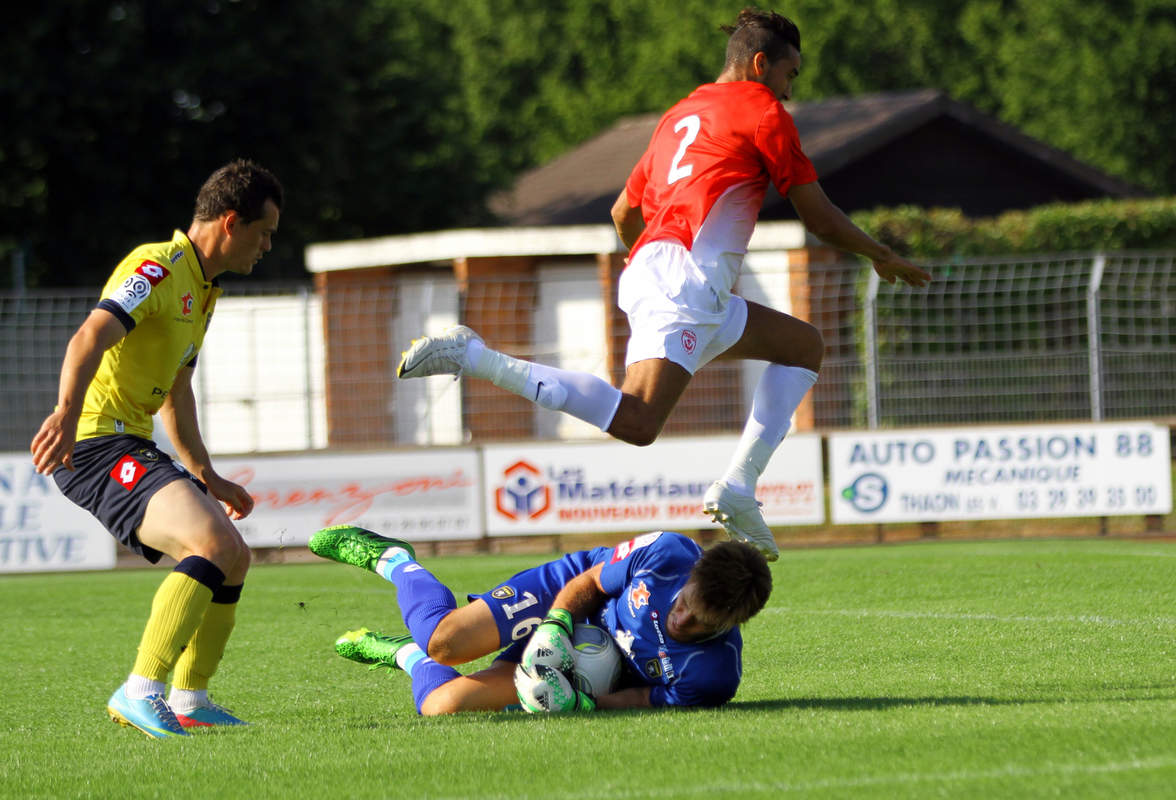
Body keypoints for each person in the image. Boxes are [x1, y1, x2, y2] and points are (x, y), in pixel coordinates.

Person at [394, 8, 932, 561]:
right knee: (638, 422)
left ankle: (739, 487)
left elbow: (624, 210)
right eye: (790, 75)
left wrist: (653, 267)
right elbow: (816, 217)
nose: (790, 91)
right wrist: (881, 254)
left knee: (802, 346)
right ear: (760, 63)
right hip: (686, 285)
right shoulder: (763, 111)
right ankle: (474, 356)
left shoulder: (681, 113)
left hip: (671, 274)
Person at [29, 159, 283, 739]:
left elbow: (177, 391)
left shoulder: (204, 289)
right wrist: (67, 415)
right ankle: (139, 691)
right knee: (212, 542)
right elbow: (92, 333)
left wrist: (207, 475)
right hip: (93, 444)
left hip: (129, 440)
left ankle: (190, 698)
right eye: (264, 231)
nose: (268, 246)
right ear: (230, 222)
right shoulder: (158, 268)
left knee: (233, 555)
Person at [308, 524, 772, 715]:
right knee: (444, 641)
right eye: (683, 603)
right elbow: (590, 582)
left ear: (730, 624)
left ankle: (403, 655)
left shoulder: (714, 677)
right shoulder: (668, 552)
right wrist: (555, 625)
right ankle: (393, 558)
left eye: (698, 623)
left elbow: (643, 697)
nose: (681, 619)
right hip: (567, 595)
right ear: (692, 574)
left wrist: (582, 704)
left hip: (586, 669)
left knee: (441, 706)